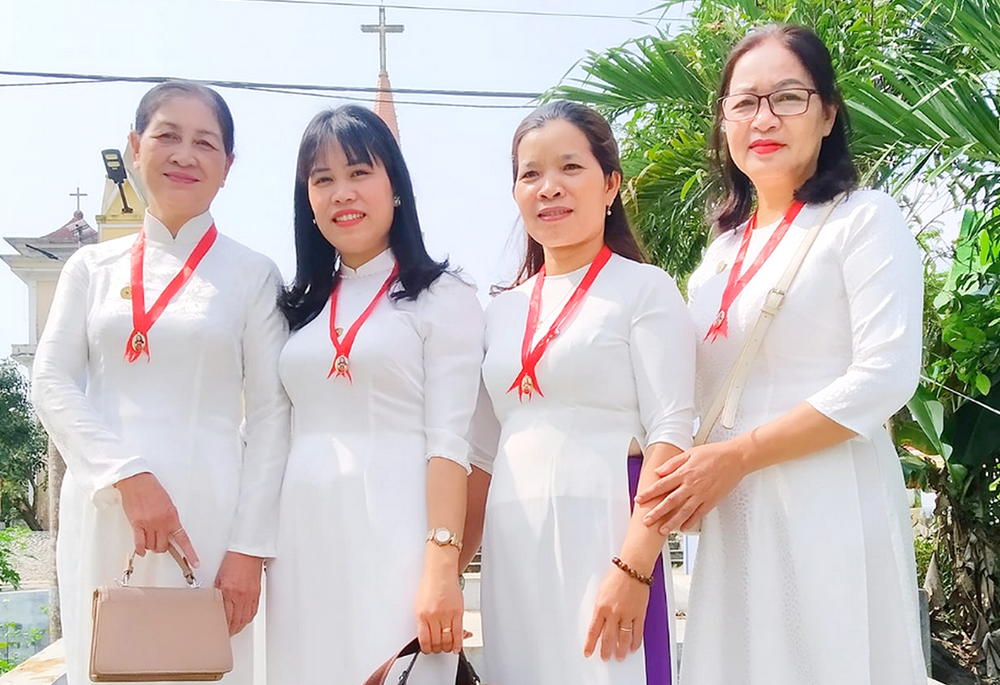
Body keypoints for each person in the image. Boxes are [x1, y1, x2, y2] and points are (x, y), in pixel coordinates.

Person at [634, 24, 927, 685]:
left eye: (788, 97)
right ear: (723, 122)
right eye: (744, 102)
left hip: (828, 497)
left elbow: (885, 376)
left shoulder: (864, 218)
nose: (763, 117)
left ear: (827, 114)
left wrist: (739, 454)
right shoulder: (716, 258)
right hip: (734, 513)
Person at [32, 81, 290, 684]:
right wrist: (126, 472)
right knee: (107, 664)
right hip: (107, 507)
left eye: (206, 142)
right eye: (167, 135)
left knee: (213, 668)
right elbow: (51, 379)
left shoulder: (253, 274)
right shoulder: (90, 268)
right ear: (134, 145)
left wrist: (250, 547)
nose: (184, 154)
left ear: (227, 167)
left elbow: (274, 414)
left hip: (213, 514)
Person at [474, 100, 695, 685]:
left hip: (607, 535)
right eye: (530, 173)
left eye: (570, 168)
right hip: (512, 544)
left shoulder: (644, 289)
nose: (549, 188)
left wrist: (635, 566)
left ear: (610, 185)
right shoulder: (498, 312)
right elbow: (479, 454)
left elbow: (671, 432)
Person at [266, 105, 484, 685]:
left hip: (397, 539)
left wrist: (443, 563)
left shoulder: (443, 295)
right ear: (306, 202)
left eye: (360, 172)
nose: (343, 192)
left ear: (396, 187)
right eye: (323, 179)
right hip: (300, 547)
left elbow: (451, 441)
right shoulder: (297, 310)